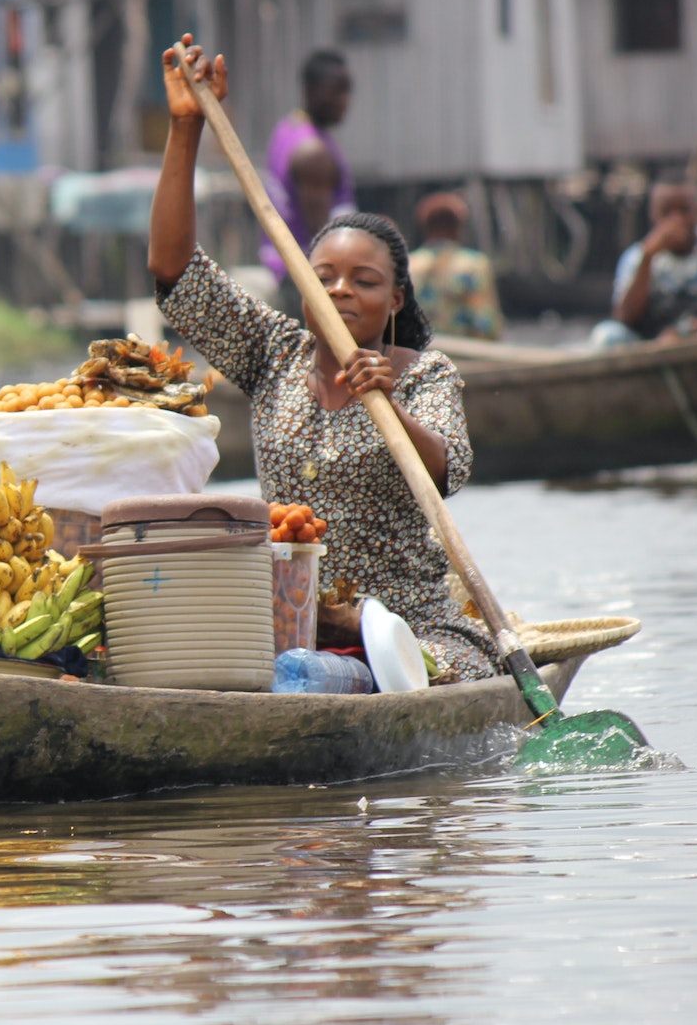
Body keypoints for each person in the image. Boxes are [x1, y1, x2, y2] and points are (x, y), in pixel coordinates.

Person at [150, 36, 494, 683]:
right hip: (290, 618)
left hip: (406, 626)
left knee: (400, 671)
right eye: (324, 277)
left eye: (362, 281)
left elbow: (450, 467)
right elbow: (174, 273)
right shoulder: (273, 352)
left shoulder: (424, 374)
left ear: (394, 299)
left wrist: (385, 398)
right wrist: (185, 126)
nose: (340, 291)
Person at [591, 183, 697, 348]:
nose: (676, 220)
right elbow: (624, 317)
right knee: (606, 335)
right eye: (667, 212)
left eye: (684, 210)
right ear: (653, 215)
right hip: (653, 341)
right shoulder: (637, 256)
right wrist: (647, 258)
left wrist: (694, 328)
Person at [262, 48, 356, 317]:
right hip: (307, 283)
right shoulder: (313, 151)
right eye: (336, 91)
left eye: (348, 91)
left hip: (287, 275)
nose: (344, 101)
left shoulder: (287, 129)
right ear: (310, 89)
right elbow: (322, 240)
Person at [409, 191, 502, 340]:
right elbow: (485, 322)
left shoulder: (409, 265)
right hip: (464, 352)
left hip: (419, 351)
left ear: (425, 227)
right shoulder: (473, 265)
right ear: (458, 227)